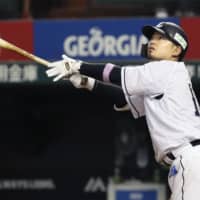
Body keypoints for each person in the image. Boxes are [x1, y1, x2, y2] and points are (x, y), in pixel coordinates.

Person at [46, 21, 200, 200]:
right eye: (152, 37)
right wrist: (86, 83)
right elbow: (124, 100)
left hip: (190, 160)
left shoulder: (166, 69)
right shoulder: (164, 81)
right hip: (189, 160)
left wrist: (77, 65)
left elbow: (115, 74)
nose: (152, 41)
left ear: (176, 50)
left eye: (160, 38)